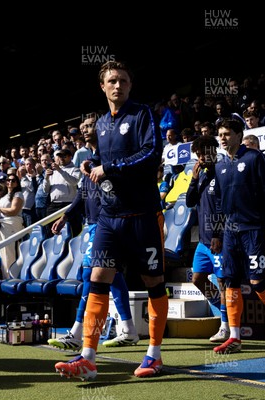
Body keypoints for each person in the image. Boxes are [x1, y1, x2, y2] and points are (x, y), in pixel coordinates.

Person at [54, 60, 167, 380]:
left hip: (143, 215)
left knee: (153, 283)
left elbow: (151, 155)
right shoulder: (102, 125)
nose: (118, 86)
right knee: (96, 280)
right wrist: (95, 163)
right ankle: (88, 357)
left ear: (130, 86)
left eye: (124, 81)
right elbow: (104, 164)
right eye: (112, 81)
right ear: (102, 86)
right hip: (108, 218)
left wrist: (110, 168)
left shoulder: (142, 114)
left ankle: (154, 355)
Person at [48, 114, 140, 351]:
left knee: (91, 274)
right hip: (92, 224)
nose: (85, 130)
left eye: (90, 126)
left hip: (107, 223)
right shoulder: (88, 161)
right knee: (113, 276)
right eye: (82, 127)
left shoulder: (112, 158)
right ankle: (128, 329)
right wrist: (66, 216)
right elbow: (82, 194)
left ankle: (78, 333)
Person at [213, 118, 265, 354]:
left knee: (257, 282)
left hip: (254, 229)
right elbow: (219, 202)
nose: (223, 138)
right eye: (220, 135)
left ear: (239, 135)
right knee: (230, 282)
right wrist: (217, 232)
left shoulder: (255, 158)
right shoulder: (220, 165)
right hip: (230, 232)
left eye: (227, 134)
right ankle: (235, 337)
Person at [185, 135, 229, 343]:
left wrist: (219, 234)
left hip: (219, 239)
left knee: (222, 281)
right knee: (198, 279)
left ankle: (226, 325)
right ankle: (223, 308)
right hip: (203, 241)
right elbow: (189, 202)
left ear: (214, 150)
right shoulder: (200, 175)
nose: (201, 157)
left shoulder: (222, 173)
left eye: (205, 152)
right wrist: (193, 180)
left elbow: (226, 208)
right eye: (199, 154)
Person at [0, 174, 24, 278]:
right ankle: (6, 279)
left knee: (11, 255)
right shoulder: (5, 196)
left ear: (17, 183)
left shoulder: (18, 194)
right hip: (2, 227)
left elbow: (13, 211)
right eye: (8, 180)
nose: (10, 182)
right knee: (4, 256)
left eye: (13, 180)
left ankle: (13, 281)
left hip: (11, 225)